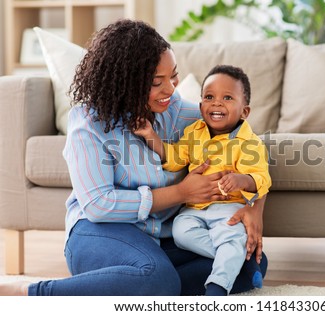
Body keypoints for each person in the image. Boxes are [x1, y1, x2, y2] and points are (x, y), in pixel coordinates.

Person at [0, 19, 267, 296]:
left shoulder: (182, 114)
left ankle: (135, 282)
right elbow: (98, 205)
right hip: (100, 232)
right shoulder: (89, 124)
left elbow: (248, 146)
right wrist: (180, 192)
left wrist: (254, 208)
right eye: (156, 82)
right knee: (159, 279)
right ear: (126, 83)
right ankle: (30, 293)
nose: (170, 90)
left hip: (161, 237)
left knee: (250, 264)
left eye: (173, 76)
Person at [134, 65, 271, 296]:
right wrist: (151, 136)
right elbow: (175, 157)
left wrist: (241, 180)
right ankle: (239, 260)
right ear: (200, 106)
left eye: (227, 98)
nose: (217, 103)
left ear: (245, 111)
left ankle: (217, 287)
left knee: (231, 235)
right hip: (194, 209)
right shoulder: (195, 132)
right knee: (180, 232)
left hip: (228, 209)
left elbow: (260, 178)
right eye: (209, 97)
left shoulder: (250, 143)